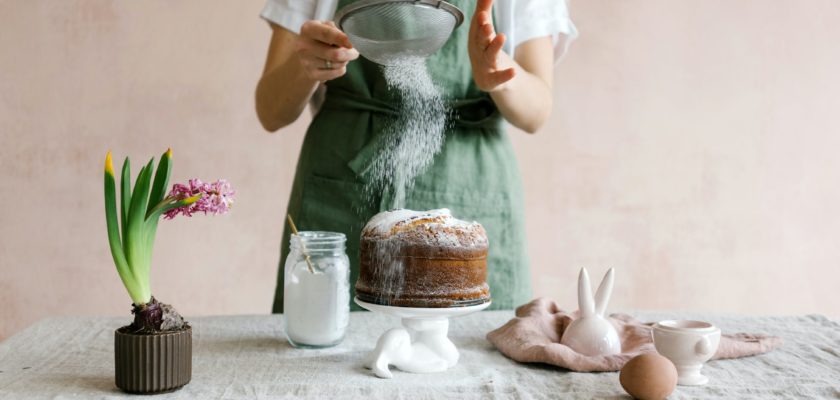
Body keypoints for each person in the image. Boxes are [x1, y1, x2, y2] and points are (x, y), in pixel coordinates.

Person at [256, 0, 577, 312]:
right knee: (320, 354)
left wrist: (500, 74)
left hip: (471, 183)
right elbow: (271, 111)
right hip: (342, 189)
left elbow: (537, 112)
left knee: (476, 355)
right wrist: (306, 65)